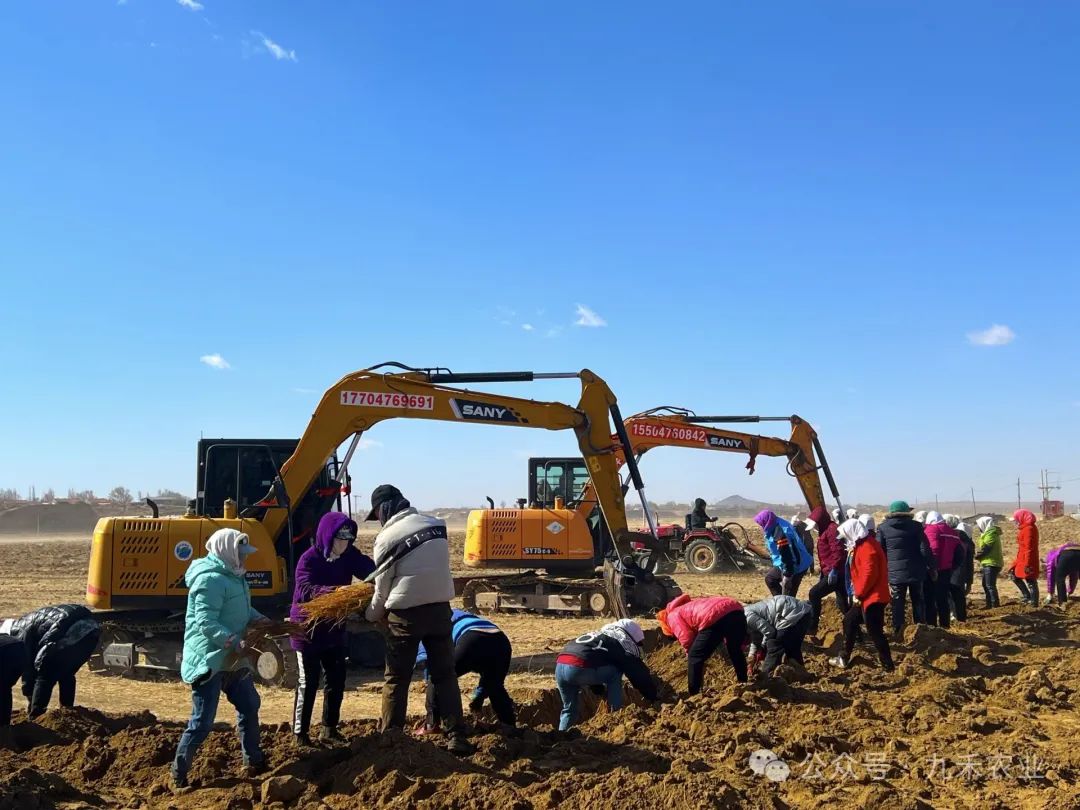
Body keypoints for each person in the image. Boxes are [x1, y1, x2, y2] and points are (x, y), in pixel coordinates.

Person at [363, 484, 472, 755]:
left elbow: (382, 588)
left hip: (406, 615)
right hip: (439, 611)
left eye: (377, 513)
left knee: (397, 678)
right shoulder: (437, 526)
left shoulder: (388, 537)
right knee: (445, 675)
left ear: (383, 508)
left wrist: (371, 615)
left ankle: (391, 737)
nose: (378, 519)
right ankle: (456, 735)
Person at [172, 529, 267, 788]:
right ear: (226, 551)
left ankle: (253, 761)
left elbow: (242, 608)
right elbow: (206, 622)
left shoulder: (234, 576)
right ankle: (178, 776)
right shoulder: (210, 580)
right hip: (210, 659)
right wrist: (235, 641)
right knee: (202, 722)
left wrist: (261, 620)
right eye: (240, 554)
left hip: (232, 659)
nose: (244, 559)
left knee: (249, 705)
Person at [289, 511, 376, 747]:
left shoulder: (348, 555)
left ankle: (329, 728)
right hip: (308, 630)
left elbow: (369, 569)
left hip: (334, 629)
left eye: (347, 541)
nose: (343, 545)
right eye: (339, 540)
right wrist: (335, 593)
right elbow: (306, 589)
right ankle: (300, 734)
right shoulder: (308, 559)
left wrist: (379, 573)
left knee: (336, 679)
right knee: (308, 682)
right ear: (327, 538)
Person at [417, 609, 517, 734]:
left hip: (472, 638)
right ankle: (508, 725)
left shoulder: (428, 621)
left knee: (439, 675)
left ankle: (431, 725)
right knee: (495, 686)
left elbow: (427, 657)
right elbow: (489, 675)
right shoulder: (459, 613)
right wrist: (479, 696)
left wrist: (429, 679)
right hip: (500, 640)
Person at [554, 620, 657, 730]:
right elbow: (637, 673)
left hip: (560, 666)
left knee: (569, 709)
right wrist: (652, 696)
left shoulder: (601, 636)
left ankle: (562, 736)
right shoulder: (621, 642)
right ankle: (615, 715)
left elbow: (591, 655)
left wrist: (596, 685)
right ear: (631, 636)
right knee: (616, 671)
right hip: (580, 668)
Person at [7, 604, 101, 720]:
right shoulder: (28, 621)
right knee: (66, 673)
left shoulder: (20, 631)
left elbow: (28, 666)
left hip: (69, 632)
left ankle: (36, 717)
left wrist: (28, 691)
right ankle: (68, 712)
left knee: (45, 674)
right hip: (91, 631)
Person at [829, 518, 894, 672]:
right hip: (868, 596)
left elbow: (869, 574)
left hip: (873, 598)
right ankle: (843, 657)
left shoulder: (868, 548)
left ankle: (888, 665)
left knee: (875, 632)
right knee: (849, 620)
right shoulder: (863, 545)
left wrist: (859, 594)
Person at [657, 593, 747, 694]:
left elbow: (686, 638)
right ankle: (743, 681)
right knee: (734, 649)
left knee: (694, 657)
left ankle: (694, 694)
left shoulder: (672, 616)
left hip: (714, 615)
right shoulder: (688, 605)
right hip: (736, 609)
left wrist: (690, 654)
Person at [877, 500, 935, 639]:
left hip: (895, 573)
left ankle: (898, 630)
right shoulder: (916, 527)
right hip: (916, 571)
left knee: (898, 602)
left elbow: (880, 551)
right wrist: (932, 566)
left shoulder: (883, 528)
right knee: (917, 600)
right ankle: (920, 629)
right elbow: (924, 549)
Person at [743, 595, 812, 677]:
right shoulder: (744, 618)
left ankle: (765, 676)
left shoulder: (748, 617)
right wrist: (751, 658)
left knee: (774, 645)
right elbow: (755, 640)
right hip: (803, 614)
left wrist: (762, 648)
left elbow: (769, 632)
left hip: (793, 613)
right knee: (793, 648)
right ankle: (802, 675)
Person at [805, 506, 848, 634]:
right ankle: (856, 633)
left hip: (835, 572)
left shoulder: (832, 530)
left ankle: (813, 626)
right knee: (843, 603)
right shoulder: (825, 529)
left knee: (814, 594)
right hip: (829, 571)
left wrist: (834, 569)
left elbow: (838, 551)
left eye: (816, 525)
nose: (815, 528)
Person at [753, 510, 812, 597]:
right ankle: (781, 601)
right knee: (770, 579)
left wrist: (788, 575)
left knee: (789, 595)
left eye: (761, 525)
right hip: (785, 561)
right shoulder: (775, 524)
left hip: (796, 564)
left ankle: (787, 605)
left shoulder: (780, 533)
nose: (761, 527)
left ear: (767, 522)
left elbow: (789, 554)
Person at [921, 512, 963, 628]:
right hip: (946, 570)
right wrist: (952, 566)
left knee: (930, 600)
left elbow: (933, 549)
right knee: (943, 599)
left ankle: (932, 626)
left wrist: (932, 568)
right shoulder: (952, 532)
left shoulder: (930, 530)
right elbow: (960, 552)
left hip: (932, 571)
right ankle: (945, 625)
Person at [945, 515, 975, 621]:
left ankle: (954, 615)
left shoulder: (949, 537)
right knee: (959, 596)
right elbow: (970, 562)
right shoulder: (966, 539)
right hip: (962, 573)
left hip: (950, 570)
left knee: (949, 595)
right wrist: (969, 580)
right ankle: (961, 618)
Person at [1009, 509, 1041, 605]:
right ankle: (1027, 597)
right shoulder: (1025, 528)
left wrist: (1027, 564)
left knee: (1030, 579)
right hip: (1022, 558)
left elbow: (1029, 548)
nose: (1015, 522)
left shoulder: (1029, 529)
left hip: (1028, 559)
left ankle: (1034, 602)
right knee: (1014, 575)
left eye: (1016, 520)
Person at [974, 516, 1004, 608]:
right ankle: (989, 604)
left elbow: (986, 548)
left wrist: (976, 556)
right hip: (990, 562)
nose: (979, 528)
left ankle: (994, 604)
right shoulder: (989, 533)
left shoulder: (990, 534)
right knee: (986, 584)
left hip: (991, 563)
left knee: (990, 585)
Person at [0, 633, 27, 726]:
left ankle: (3, 725)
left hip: (5, 652)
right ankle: (4, 723)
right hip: (20, 648)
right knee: (5, 688)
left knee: (3, 688)